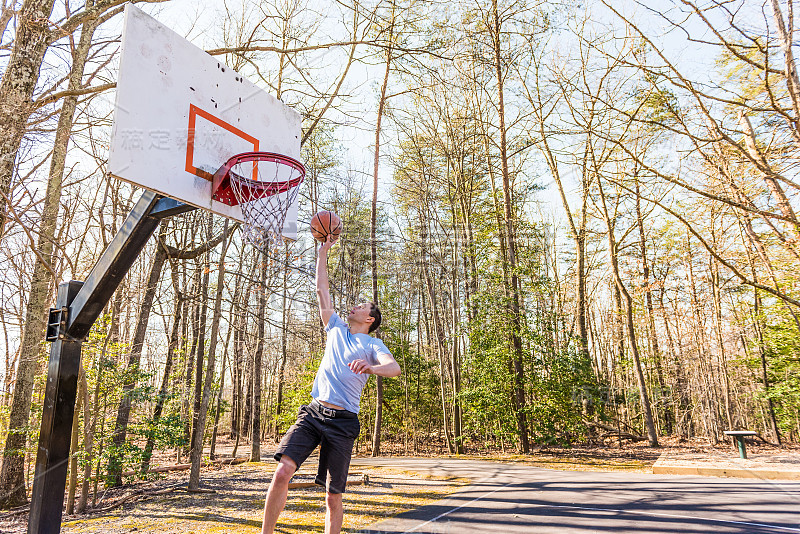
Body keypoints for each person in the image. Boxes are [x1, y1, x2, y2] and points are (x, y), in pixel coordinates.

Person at [261, 234, 401, 534]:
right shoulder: (335, 327)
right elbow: (321, 289)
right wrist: (322, 254)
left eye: (363, 305)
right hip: (313, 413)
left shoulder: (373, 343)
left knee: (332, 495)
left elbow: (394, 368)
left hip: (343, 422)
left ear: (370, 319)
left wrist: (373, 367)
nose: (356, 306)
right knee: (282, 471)